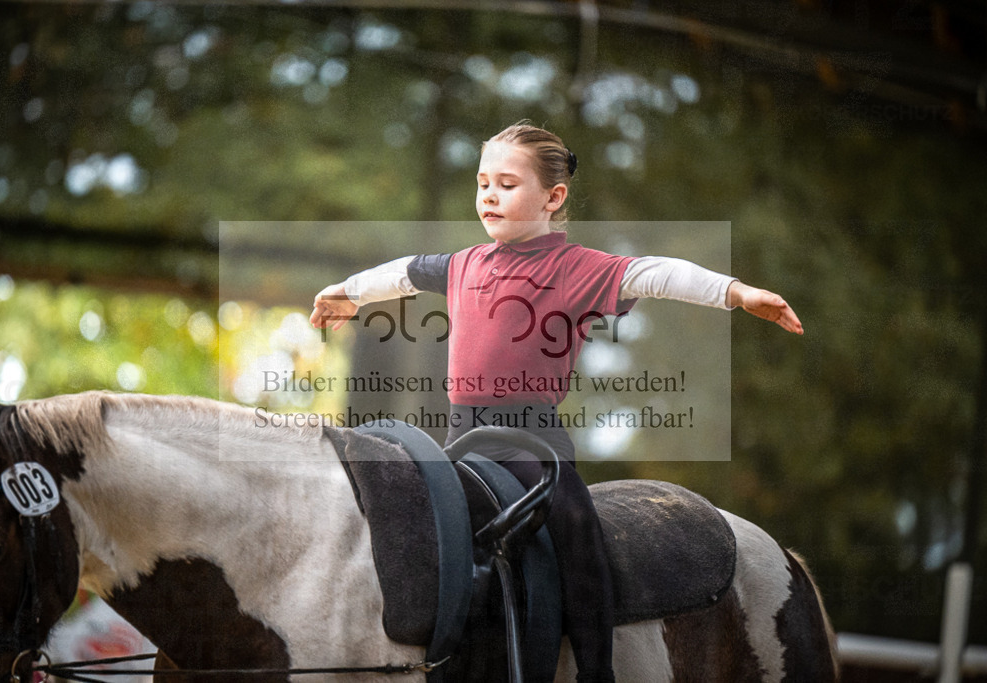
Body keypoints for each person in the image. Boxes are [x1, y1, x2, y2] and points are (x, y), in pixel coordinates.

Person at [310, 121, 803, 682]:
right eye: (482, 184)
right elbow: (401, 273)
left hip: (532, 442)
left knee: (576, 527)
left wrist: (737, 293)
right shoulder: (464, 263)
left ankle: (597, 672)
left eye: (507, 185)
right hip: (461, 440)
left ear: (553, 197)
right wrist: (346, 293)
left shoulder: (576, 268)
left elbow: (658, 274)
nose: (489, 196)